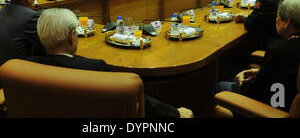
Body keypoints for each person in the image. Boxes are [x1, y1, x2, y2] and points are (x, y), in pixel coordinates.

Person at [26, 8, 194, 118]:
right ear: (71, 36)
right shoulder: (94, 68)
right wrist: (174, 113)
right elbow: (134, 98)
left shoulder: (27, 66)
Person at [216, 0, 300, 112]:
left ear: (286, 22)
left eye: (278, 16)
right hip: (291, 99)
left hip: (276, 106)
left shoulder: (278, 51)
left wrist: (242, 82)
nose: (276, 19)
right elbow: (285, 76)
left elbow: (257, 91)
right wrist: (261, 72)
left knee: (220, 86)